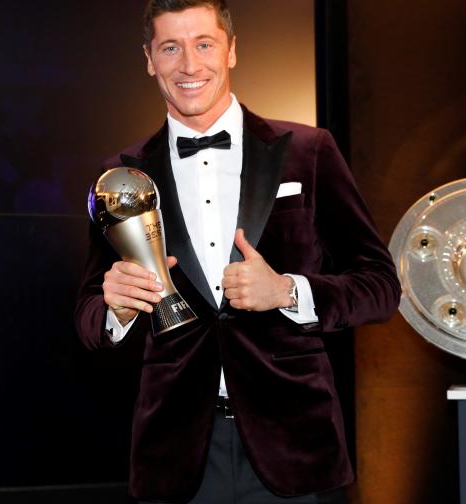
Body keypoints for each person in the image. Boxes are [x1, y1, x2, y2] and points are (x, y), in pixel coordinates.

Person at [75, 1, 401, 502]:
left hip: (295, 446)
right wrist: (115, 310)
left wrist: (287, 291)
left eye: (204, 44)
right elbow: (88, 317)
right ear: (149, 59)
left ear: (231, 50)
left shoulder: (309, 151)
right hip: (175, 454)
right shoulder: (121, 175)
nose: (189, 64)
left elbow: (380, 286)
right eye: (171, 48)